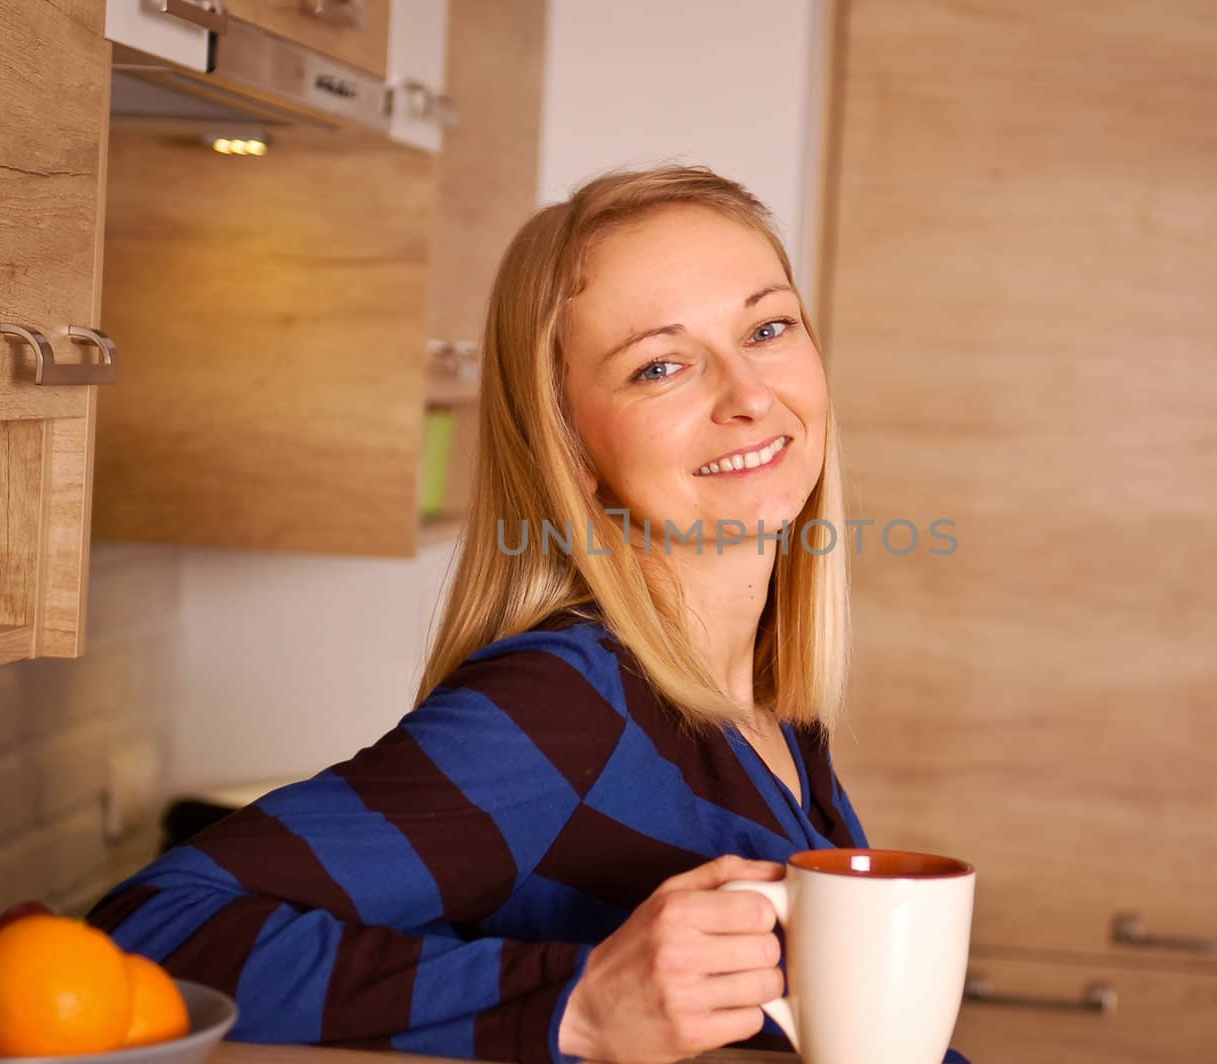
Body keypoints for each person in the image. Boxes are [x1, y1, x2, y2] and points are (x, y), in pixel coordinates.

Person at [89, 167, 957, 1064]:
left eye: (767, 328)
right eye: (661, 365)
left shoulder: (770, 708)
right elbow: (145, 935)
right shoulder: (564, 706)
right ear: (570, 447)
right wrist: (575, 1006)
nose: (747, 394)